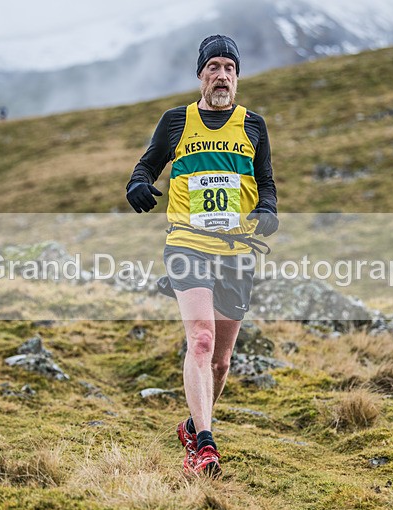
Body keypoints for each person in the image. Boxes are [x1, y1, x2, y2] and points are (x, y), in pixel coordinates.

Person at [126, 35, 278, 477]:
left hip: (236, 252)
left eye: (230, 67)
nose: (222, 75)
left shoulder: (253, 125)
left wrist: (267, 209)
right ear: (200, 75)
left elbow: (265, 182)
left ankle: (194, 426)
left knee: (221, 361)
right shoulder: (176, 121)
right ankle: (205, 448)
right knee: (202, 339)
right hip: (188, 245)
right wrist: (137, 184)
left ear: (237, 77)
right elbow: (146, 166)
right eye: (214, 66)